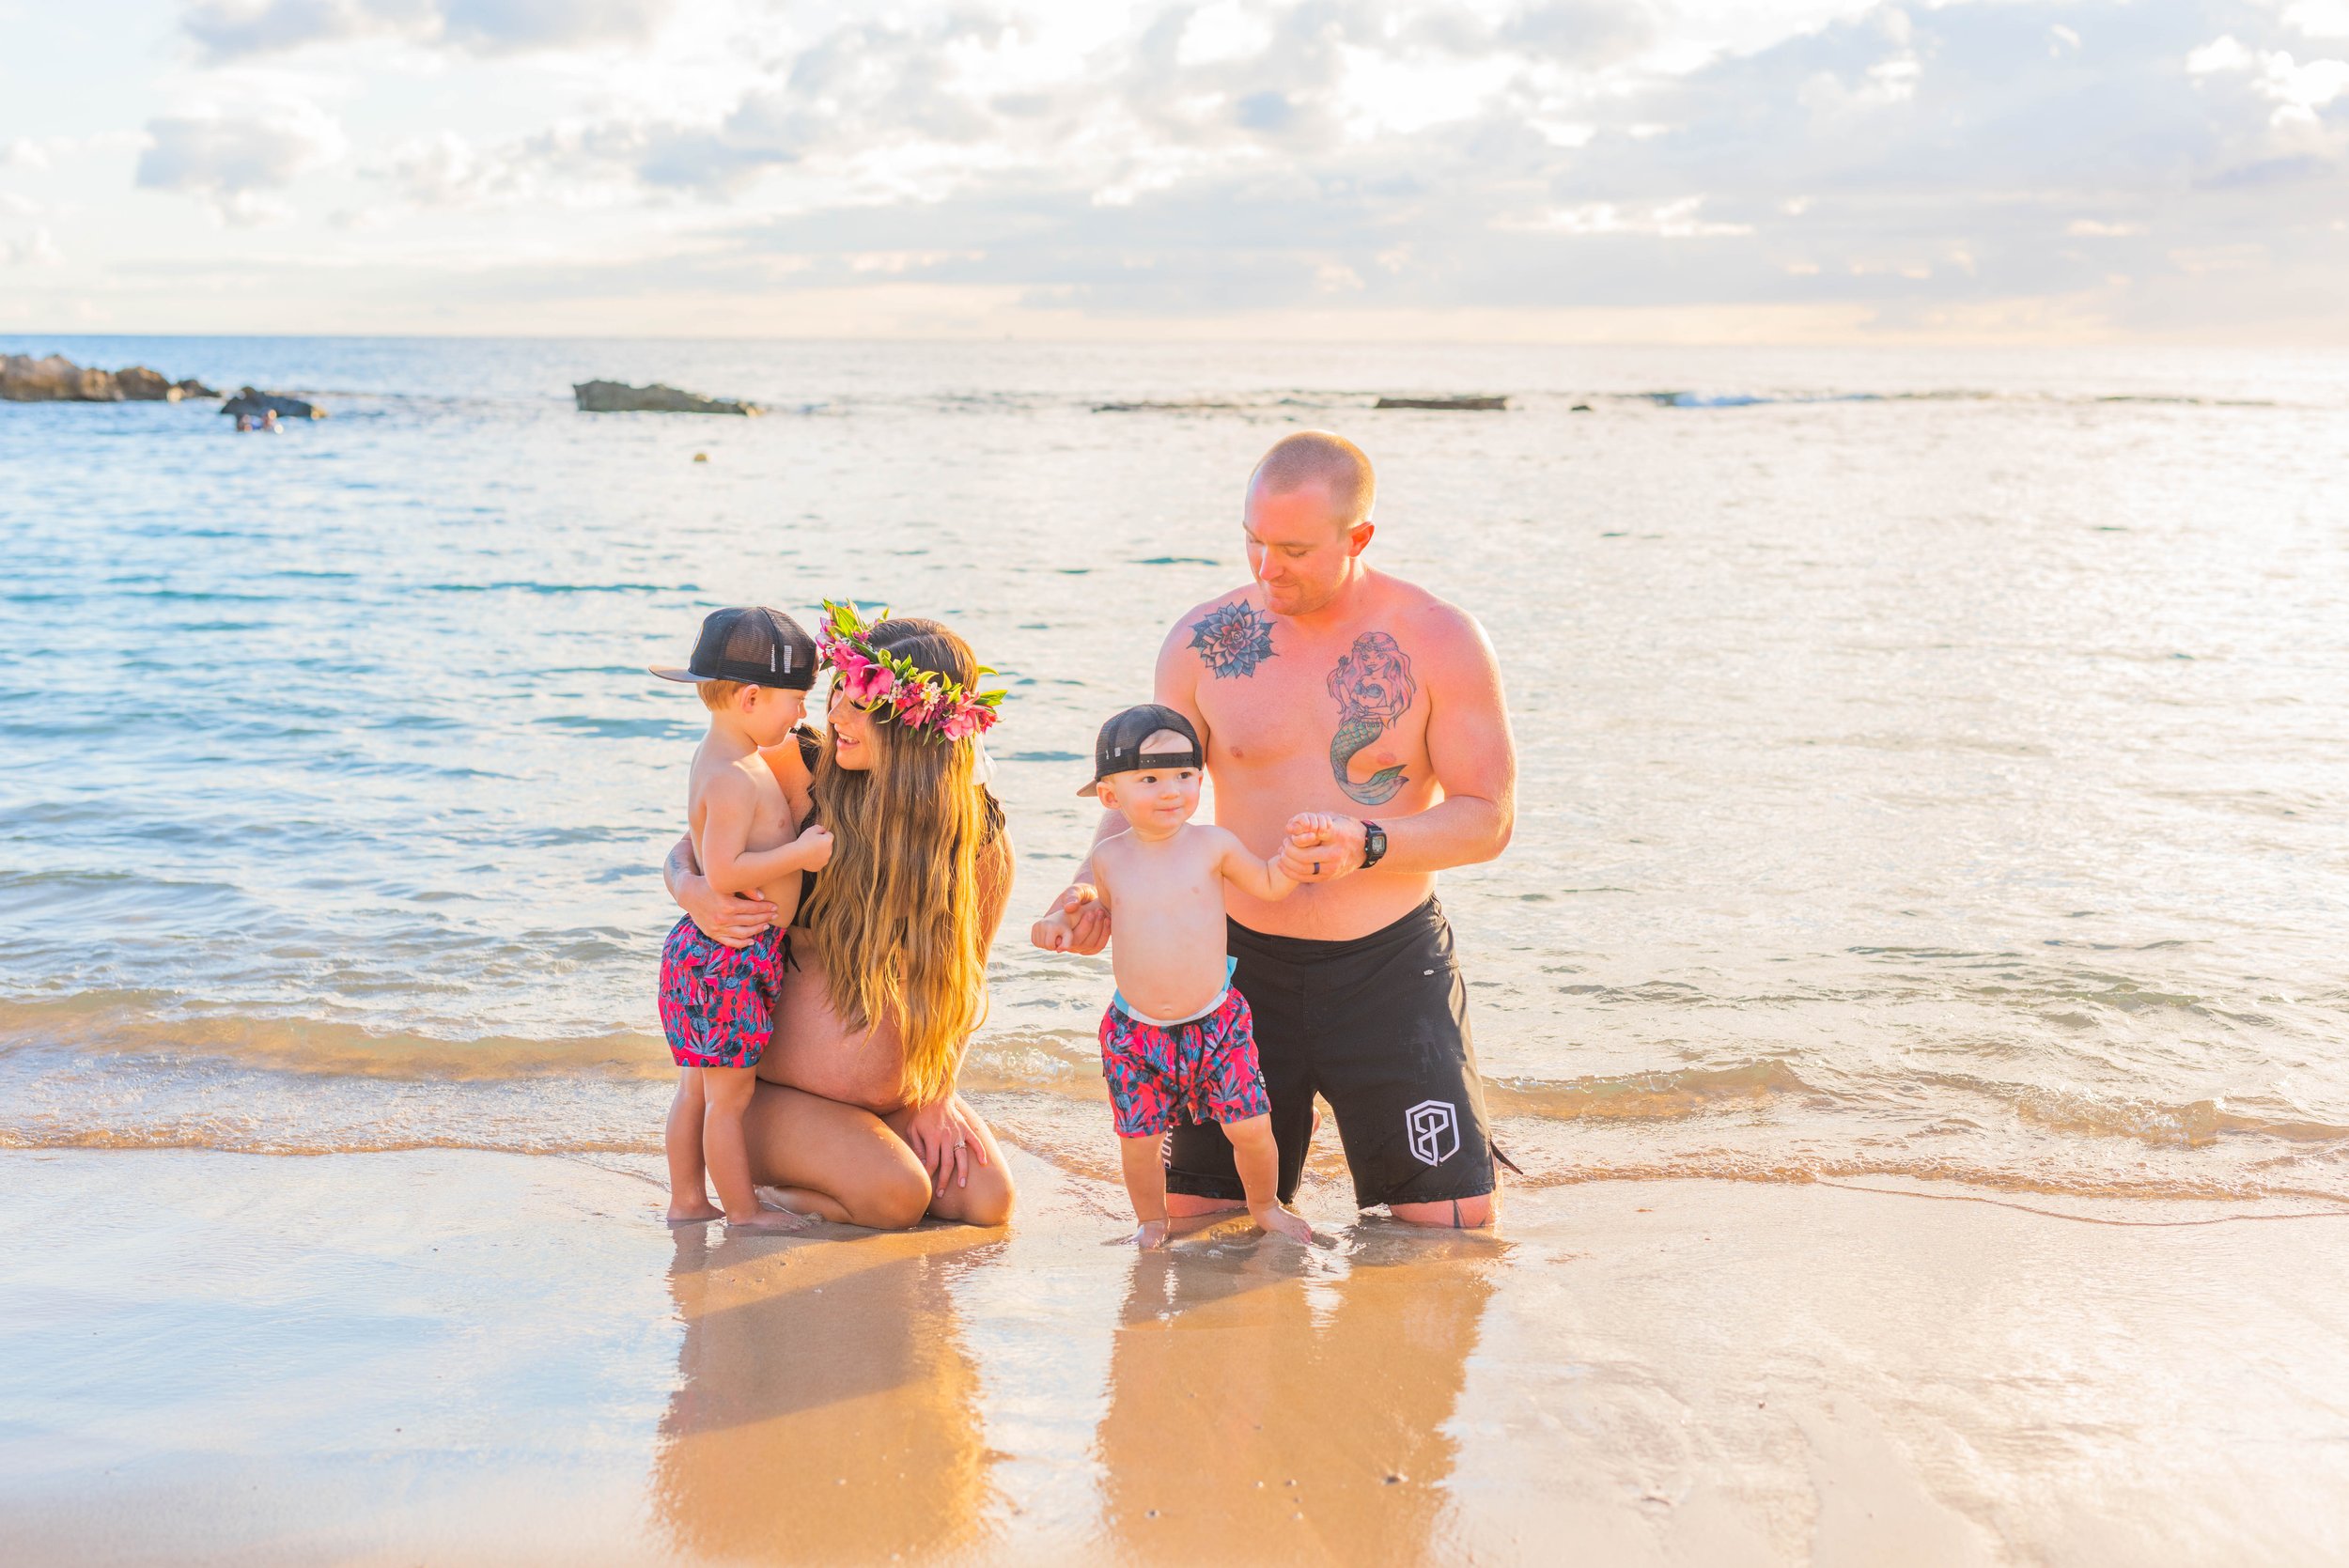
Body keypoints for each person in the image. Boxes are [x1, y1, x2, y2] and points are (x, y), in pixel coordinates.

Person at [1040, 431, 1517, 1229]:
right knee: (1200, 1229)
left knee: (1453, 1234)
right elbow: (1139, 797)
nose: (1267, 569)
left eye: (1293, 548)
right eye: (1253, 542)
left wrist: (1370, 843)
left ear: (1357, 537)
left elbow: (1489, 819)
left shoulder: (1438, 638)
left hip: (1389, 968)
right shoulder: (1202, 643)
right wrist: (1093, 887)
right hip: (1227, 973)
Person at [661, 602, 1016, 1230]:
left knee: (988, 1201)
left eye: (860, 704)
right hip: (765, 1094)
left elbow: (970, 977)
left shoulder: (977, 838)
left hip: (893, 1099)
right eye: (836, 695)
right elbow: (697, 840)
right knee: (897, 1198)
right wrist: (689, 888)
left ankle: (856, 1156)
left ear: (916, 727)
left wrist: (940, 1093)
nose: (834, 715)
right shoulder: (801, 773)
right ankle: (770, 1191)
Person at [1034, 705, 1316, 1246]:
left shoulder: (1214, 846)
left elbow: (1269, 884)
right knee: (1140, 1139)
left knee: (1251, 1128)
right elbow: (1086, 912)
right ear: (1111, 797)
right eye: (1150, 779)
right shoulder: (1110, 857)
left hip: (1216, 1022)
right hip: (1134, 1030)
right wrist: (1055, 923)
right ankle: (1151, 1222)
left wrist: (1293, 859)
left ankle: (1266, 1206)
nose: (1171, 791)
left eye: (1184, 775)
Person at [650, 607, 834, 1233]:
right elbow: (723, 870)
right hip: (729, 957)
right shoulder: (733, 775)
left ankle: (687, 1200)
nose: (803, 715)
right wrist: (800, 854)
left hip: (711, 950)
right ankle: (744, 1212)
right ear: (751, 697)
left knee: (698, 1090)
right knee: (728, 1100)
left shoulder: (728, 754)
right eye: (796, 700)